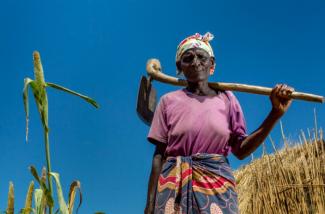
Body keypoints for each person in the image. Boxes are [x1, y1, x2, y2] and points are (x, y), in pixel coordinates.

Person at [144, 32, 294, 214]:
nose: (195, 62)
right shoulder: (168, 101)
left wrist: (275, 114)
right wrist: (150, 205)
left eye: (202, 57)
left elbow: (240, 150)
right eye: (188, 58)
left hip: (217, 191)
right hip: (172, 190)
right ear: (179, 66)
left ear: (212, 65)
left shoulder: (227, 100)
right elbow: (159, 155)